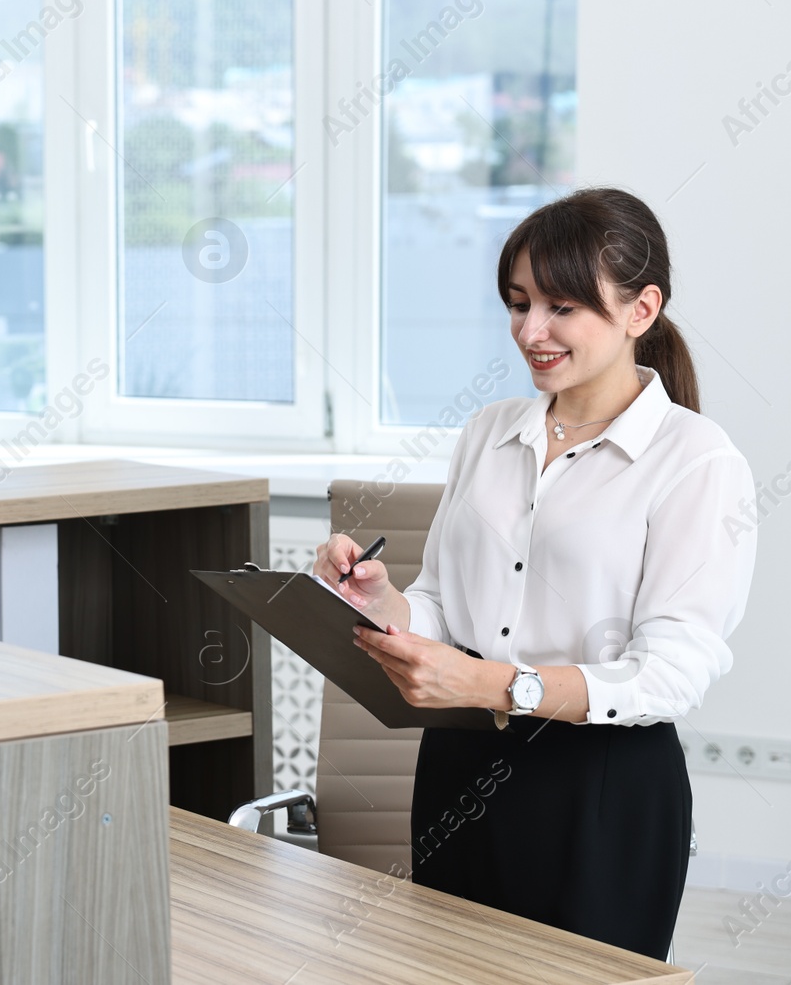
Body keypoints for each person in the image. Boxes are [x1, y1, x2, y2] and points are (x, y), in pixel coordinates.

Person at [312, 187, 757, 960]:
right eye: (518, 304)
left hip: (602, 785)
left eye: (561, 307)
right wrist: (380, 598)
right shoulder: (488, 432)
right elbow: (444, 604)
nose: (530, 331)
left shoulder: (698, 461)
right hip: (460, 767)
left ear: (640, 310)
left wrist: (496, 685)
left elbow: (675, 672)